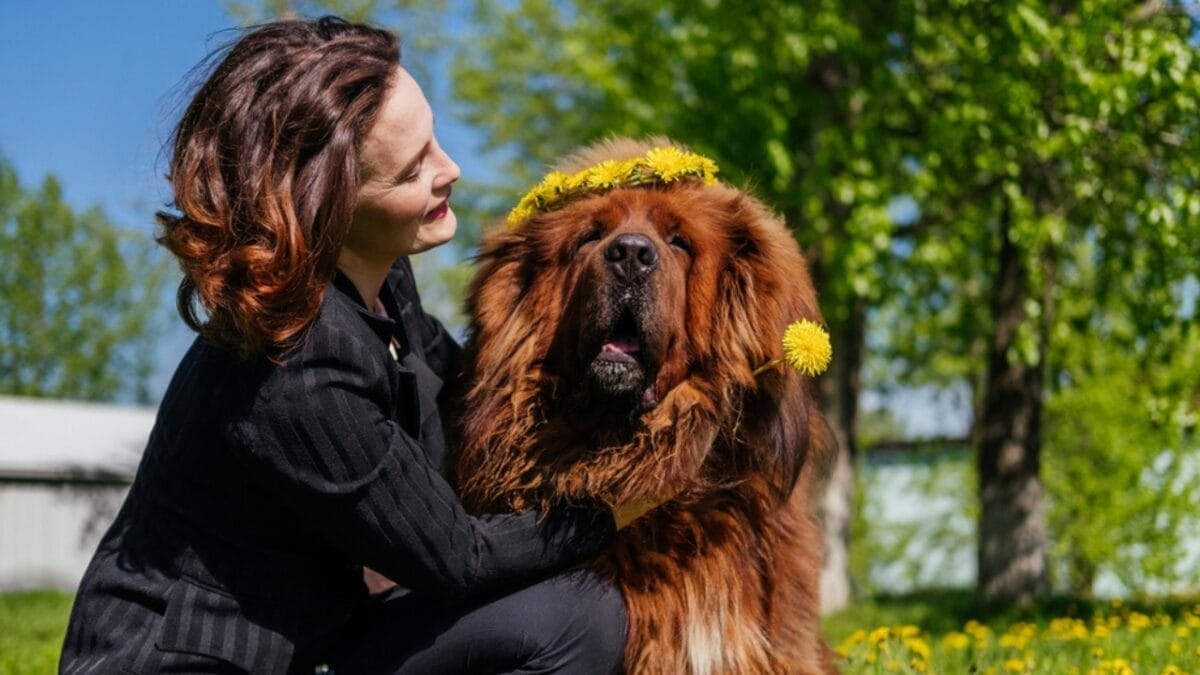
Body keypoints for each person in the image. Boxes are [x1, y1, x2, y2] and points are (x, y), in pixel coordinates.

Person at [60, 16, 652, 675]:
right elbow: (462, 559)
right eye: (411, 170)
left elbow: (470, 397)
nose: (450, 168)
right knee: (558, 613)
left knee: (576, 615)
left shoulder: (382, 282)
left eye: (434, 140)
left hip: (317, 636)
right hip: (196, 662)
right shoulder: (298, 367)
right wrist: (611, 510)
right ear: (329, 206)